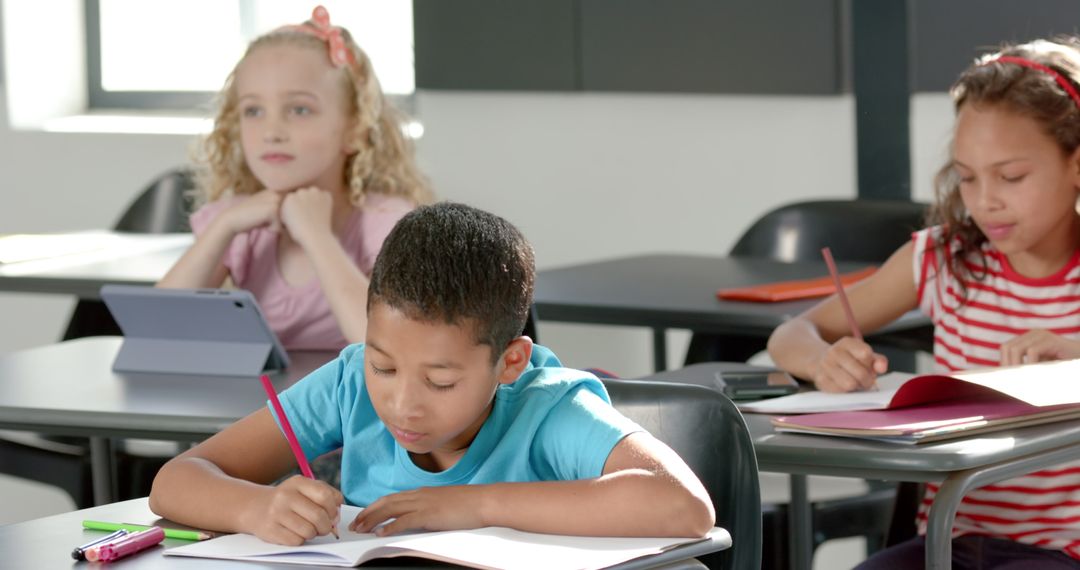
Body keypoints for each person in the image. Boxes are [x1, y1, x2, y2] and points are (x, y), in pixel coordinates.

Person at [149, 202, 715, 544]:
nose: (402, 404)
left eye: (441, 381)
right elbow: (176, 480)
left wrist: (478, 504)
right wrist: (256, 508)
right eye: (384, 366)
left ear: (510, 362)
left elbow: (682, 507)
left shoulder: (549, 408)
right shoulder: (349, 385)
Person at [768, 38, 1080, 567]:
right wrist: (824, 363)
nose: (986, 200)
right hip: (946, 545)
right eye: (968, 176)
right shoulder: (941, 259)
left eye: (1011, 176)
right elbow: (790, 334)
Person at [158, 5, 432, 350]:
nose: (272, 131)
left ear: (355, 129)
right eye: (253, 110)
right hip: (264, 404)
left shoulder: (384, 221)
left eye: (299, 109)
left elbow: (387, 344)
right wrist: (223, 228)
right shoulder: (238, 221)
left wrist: (316, 235)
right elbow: (159, 326)